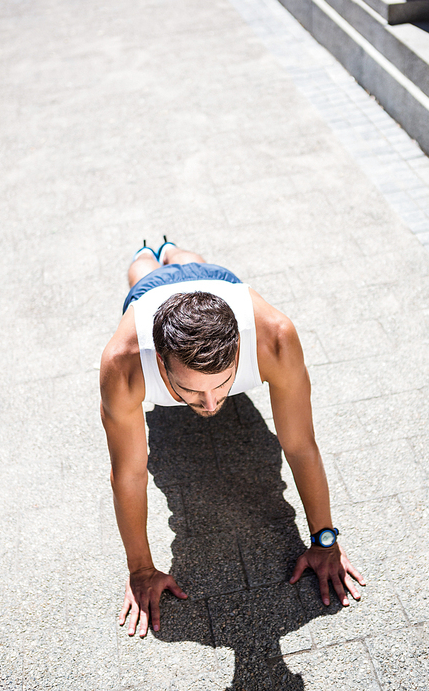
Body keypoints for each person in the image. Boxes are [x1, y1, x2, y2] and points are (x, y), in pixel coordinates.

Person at [100, 239, 365, 638]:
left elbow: (299, 445)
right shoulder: (123, 365)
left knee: (193, 263)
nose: (209, 405)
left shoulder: (274, 338)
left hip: (217, 284)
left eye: (223, 385)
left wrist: (325, 540)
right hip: (150, 297)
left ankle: (173, 249)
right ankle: (146, 253)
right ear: (159, 361)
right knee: (143, 272)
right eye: (189, 390)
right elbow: (129, 475)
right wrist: (140, 569)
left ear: (240, 347)